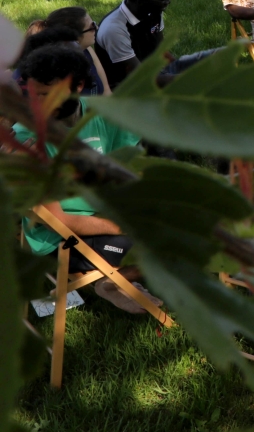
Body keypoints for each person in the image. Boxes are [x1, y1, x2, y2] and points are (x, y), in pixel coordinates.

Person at [12, 45, 164, 314]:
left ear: (78, 86)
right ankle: (111, 281)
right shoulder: (27, 138)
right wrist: (122, 226)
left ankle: (112, 280)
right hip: (59, 238)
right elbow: (61, 221)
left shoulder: (102, 115)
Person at [96, 0, 219, 89]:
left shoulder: (152, 10)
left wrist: (177, 66)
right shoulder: (114, 30)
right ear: (141, 1)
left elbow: (160, 50)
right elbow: (141, 79)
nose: (168, 2)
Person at [44, 6, 112, 95]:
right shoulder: (58, 71)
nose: (97, 28)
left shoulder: (88, 50)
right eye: (92, 27)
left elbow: (106, 91)